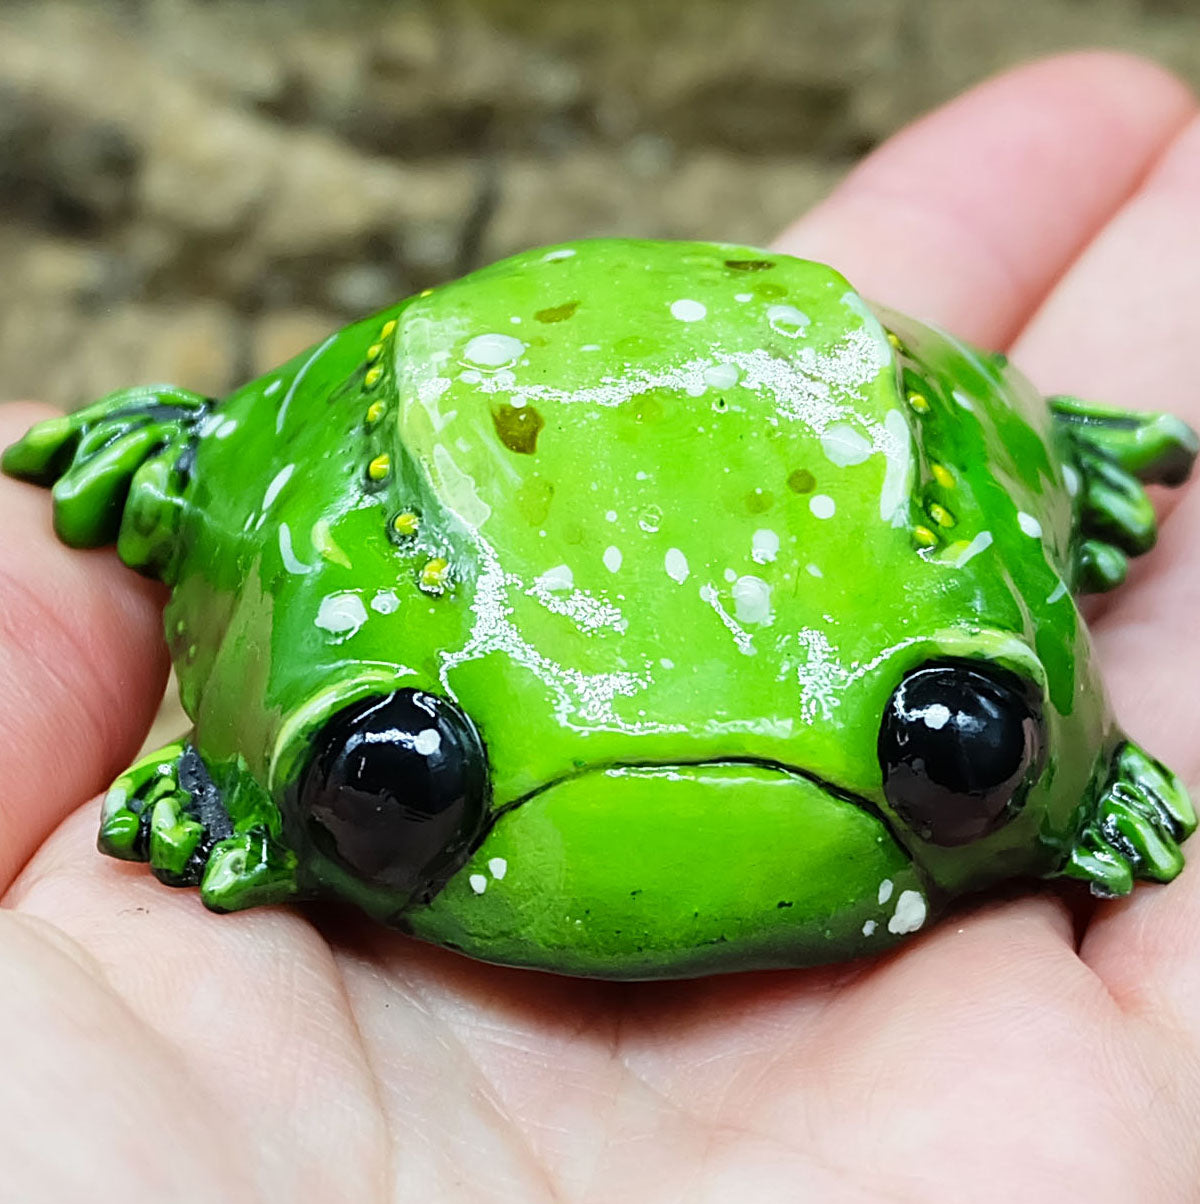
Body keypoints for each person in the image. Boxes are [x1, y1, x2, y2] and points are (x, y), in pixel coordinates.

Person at [2, 50, 1198, 1202]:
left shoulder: (922, 429)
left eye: (954, 749)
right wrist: (192, 488)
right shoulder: (362, 457)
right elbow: (269, 486)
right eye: (392, 782)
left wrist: (1078, 778)